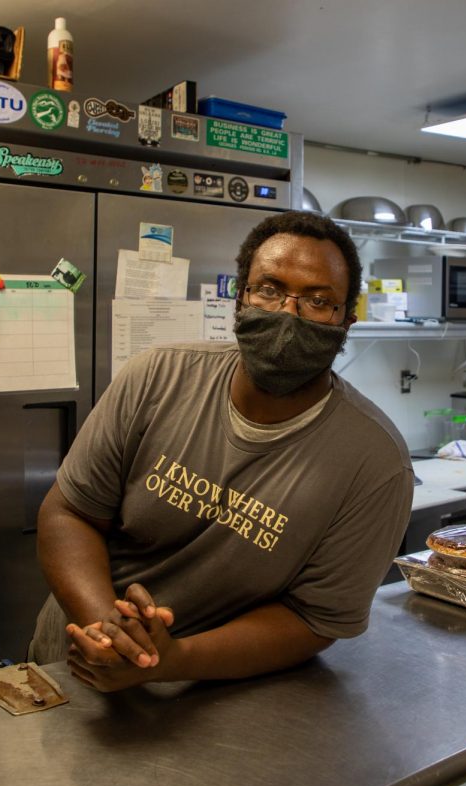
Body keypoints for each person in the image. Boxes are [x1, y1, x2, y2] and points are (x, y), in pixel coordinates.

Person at [29, 210, 414, 692]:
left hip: (218, 701)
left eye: (318, 301)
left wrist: (171, 660)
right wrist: (114, 637)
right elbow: (69, 512)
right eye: (269, 289)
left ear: (346, 321)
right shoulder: (157, 377)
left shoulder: (375, 463)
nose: (287, 314)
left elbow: (313, 619)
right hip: (72, 664)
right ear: (241, 298)